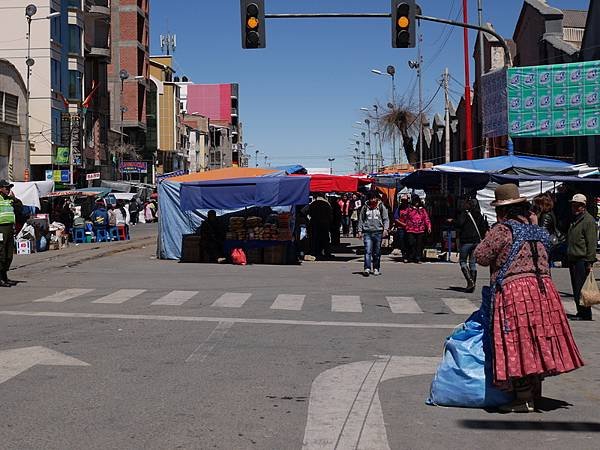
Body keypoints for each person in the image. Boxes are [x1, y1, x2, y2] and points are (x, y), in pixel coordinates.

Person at [473, 184, 583, 413]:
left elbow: (482, 257)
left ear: (502, 210)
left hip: (515, 291)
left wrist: (485, 238)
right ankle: (534, 393)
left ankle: (523, 398)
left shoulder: (502, 230)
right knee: (536, 338)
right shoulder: (537, 231)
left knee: (518, 340)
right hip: (543, 290)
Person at [566, 193, 597, 321]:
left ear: (583, 206)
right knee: (576, 288)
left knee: (581, 289)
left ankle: (585, 313)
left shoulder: (588, 221)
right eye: (573, 205)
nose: (574, 207)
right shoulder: (575, 220)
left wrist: (590, 262)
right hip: (573, 259)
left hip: (582, 260)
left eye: (577, 205)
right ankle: (580, 311)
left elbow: (591, 243)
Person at [450, 198, 489, 292]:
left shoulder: (465, 214)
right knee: (472, 263)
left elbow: (459, 224)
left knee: (463, 261)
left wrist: (452, 221)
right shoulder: (479, 215)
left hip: (466, 241)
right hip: (476, 241)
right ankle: (472, 285)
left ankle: (470, 281)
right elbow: (483, 228)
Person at [358, 192, 389, 276]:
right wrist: (360, 230)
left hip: (378, 232)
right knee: (368, 251)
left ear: (377, 198)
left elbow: (386, 219)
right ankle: (367, 268)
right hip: (367, 232)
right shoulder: (365, 207)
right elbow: (361, 219)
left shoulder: (381, 207)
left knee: (377, 252)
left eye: (374, 198)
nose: (373, 200)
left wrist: (385, 229)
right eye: (371, 198)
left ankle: (376, 268)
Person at [0, 180, 23, 287]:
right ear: (0, 188)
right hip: (1, 228)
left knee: (9, 254)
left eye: (9, 188)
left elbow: (20, 207)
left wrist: (13, 197)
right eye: (6, 187)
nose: (8, 189)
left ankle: (4, 276)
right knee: (1, 253)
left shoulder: (10, 199)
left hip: (9, 228)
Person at [399, 195, 431, 263]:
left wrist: (429, 226)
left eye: (417, 201)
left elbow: (426, 218)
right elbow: (403, 216)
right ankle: (410, 255)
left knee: (419, 244)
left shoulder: (422, 210)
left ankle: (418, 257)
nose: (416, 203)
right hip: (411, 229)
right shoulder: (409, 209)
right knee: (411, 243)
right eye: (415, 201)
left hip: (420, 229)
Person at [307, 194, 333, 259]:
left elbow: (309, 212)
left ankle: (314, 252)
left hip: (314, 222)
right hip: (324, 223)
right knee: (325, 239)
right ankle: (327, 253)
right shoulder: (327, 204)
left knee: (314, 238)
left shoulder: (313, 203)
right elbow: (330, 214)